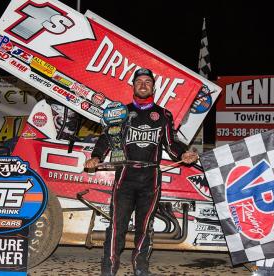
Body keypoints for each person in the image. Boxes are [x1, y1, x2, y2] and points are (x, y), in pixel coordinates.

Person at [84, 68, 198, 276]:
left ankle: (140, 267)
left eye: (147, 81)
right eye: (139, 82)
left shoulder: (163, 115)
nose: (143, 85)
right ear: (133, 86)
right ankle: (109, 268)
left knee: (144, 227)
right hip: (125, 178)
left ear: (154, 87)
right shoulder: (120, 112)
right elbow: (106, 139)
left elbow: (172, 145)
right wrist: (96, 156)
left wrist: (184, 154)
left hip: (151, 179)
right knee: (117, 226)